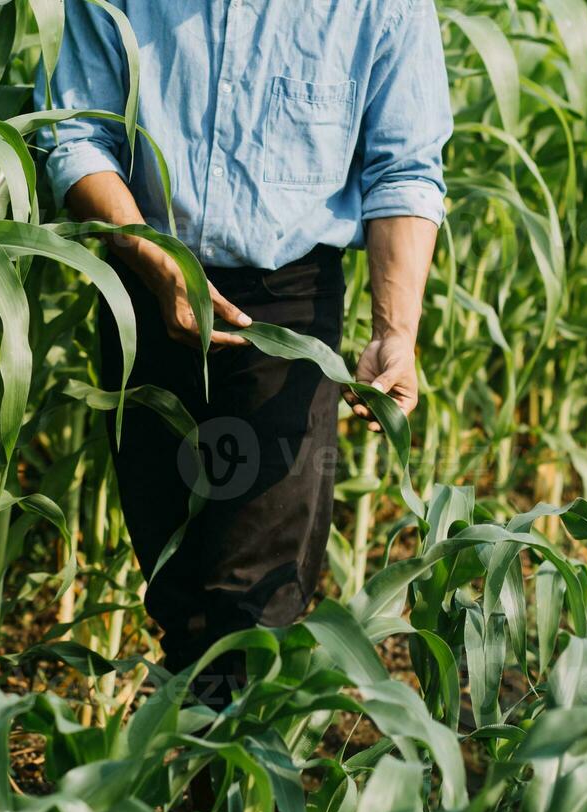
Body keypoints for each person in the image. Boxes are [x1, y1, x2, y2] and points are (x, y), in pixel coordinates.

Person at [36, 0, 452, 709]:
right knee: (180, 600)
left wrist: (394, 330)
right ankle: (189, 804)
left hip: (285, 316)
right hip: (143, 285)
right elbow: (73, 136)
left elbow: (405, 169)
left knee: (253, 608)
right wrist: (154, 259)